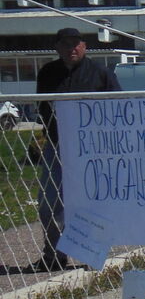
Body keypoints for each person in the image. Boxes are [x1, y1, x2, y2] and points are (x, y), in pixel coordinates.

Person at [32, 27, 121, 272]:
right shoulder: (48, 73)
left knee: (93, 204)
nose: (72, 48)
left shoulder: (101, 74)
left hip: (95, 151)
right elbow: (44, 109)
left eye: (76, 43)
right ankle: (53, 255)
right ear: (57, 47)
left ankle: (92, 254)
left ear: (84, 46)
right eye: (66, 44)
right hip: (58, 146)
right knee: (50, 202)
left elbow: (119, 109)